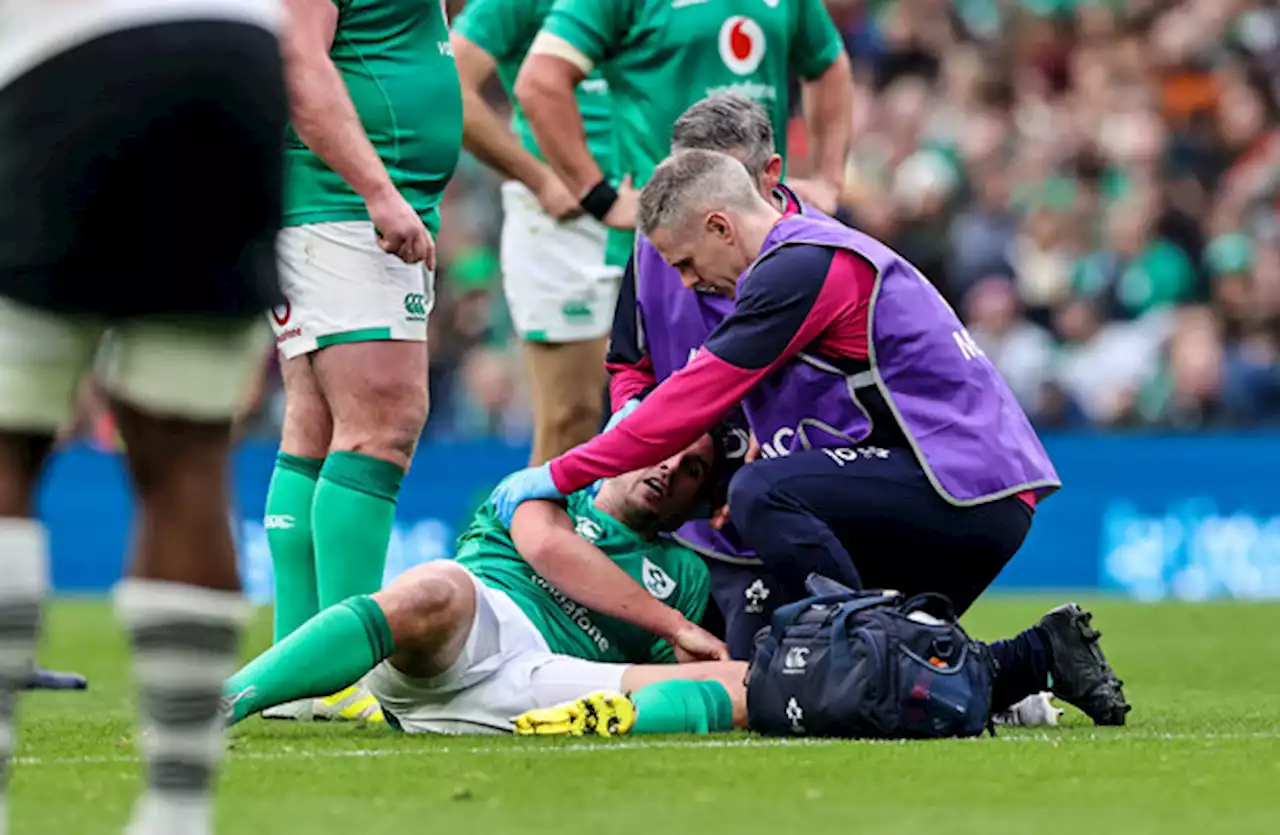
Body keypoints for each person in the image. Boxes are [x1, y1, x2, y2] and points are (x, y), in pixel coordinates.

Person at [491, 150, 1131, 726]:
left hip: (961, 487)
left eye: (687, 263)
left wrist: (558, 475)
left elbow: (688, 400)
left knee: (768, 505)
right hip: (962, 485)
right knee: (767, 665)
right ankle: (1028, 661)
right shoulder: (815, 251)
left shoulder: (798, 267)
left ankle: (881, 661)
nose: (687, 283)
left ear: (720, 226)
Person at [0, 1, 287, 832]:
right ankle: (177, 812)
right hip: (236, 64)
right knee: (187, 452)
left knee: (7, 447)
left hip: (60, 64)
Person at [223, 437, 740, 734]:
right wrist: (668, 621)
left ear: (698, 497)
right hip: (471, 636)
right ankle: (225, 700)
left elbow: (665, 666)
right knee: (437, 587)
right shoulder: (546, 487)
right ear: (631, 440)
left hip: (553, 682)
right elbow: (549, 549)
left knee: (745, 684)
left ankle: (600, 723)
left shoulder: (685, 572)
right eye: (665, 448)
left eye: (692, 469)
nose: (670, 468)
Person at [261, 0, 463, 722]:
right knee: (383, 422)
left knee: (313, 427)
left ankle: (298, 668)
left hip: (347, 207)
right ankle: (344, 675)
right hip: (341, 204)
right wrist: (379, 189)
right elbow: (299, 60)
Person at [607, 94, 803, 660]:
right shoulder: (653, 250)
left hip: (774, 516)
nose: (696, 203)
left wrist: (780, 443)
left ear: (770, 176)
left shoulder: (815, 252)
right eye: (682, 179)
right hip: (677, 516)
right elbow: (627, 366)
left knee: (765, 677)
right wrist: (638, 426)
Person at [513, 0, 855, 276]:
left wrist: (828, 180)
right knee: (682, 364)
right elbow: (540, 82)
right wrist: (601, 198)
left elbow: (827, 63)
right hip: (673, 255)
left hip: (766, 242)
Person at [452, 0, 626, 465]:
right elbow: (453, 84)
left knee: (686, 415)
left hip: (664, 210)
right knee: (572, 418)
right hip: (567, 224)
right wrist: (540, 178)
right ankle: (541, 538)